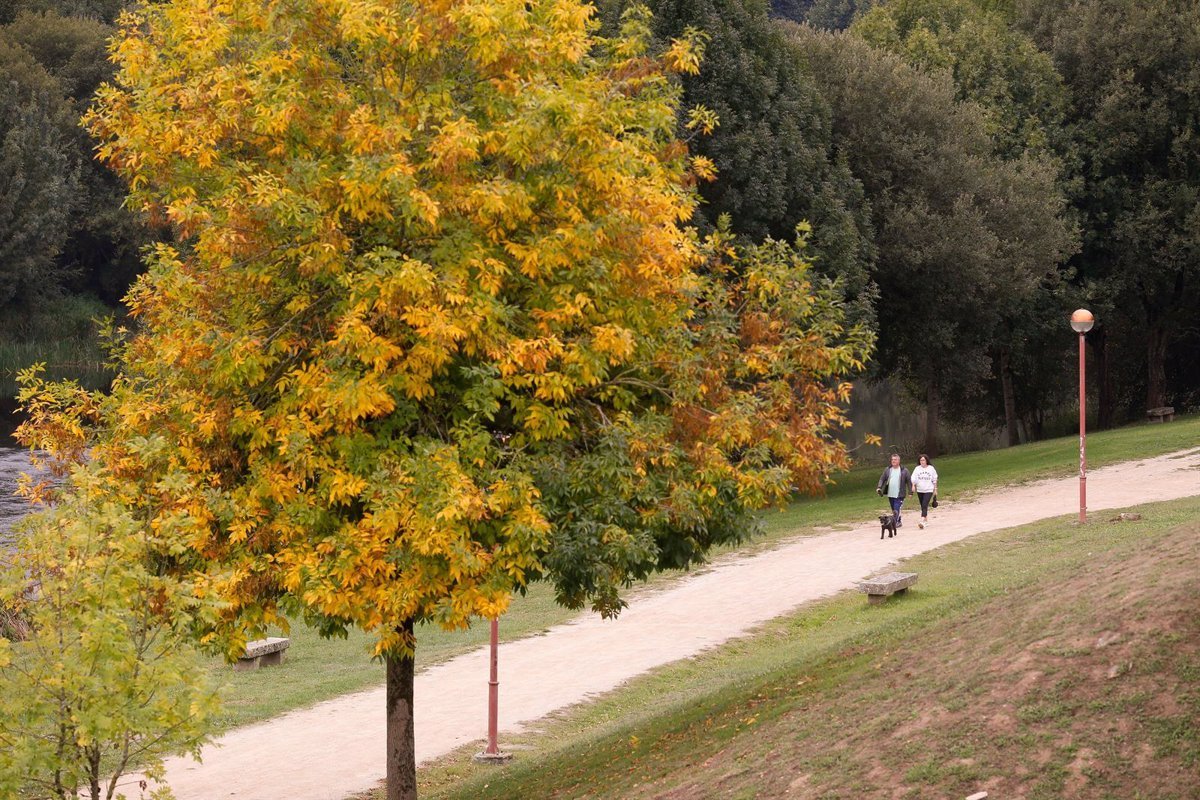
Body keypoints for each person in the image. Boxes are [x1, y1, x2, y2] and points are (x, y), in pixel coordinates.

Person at [875, 453, 910, 527]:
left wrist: (911, 492)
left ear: (899, 461)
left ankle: (894, 523)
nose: (893, 461)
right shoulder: (888, 469)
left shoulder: (904, 470)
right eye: (892, 459)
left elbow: (909, 481)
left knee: (897, 509)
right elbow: (882, 478)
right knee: (894, 509)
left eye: (895, 459)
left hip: (900, 494)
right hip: (890, 493)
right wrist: (879, 487)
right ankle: (899, 521)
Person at [910, 454, 939, 529]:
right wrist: (913, 485)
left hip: (928, 489)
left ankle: (922, 521)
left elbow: (934, 479)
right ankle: (926, 521)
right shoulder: (917, 469)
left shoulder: (931, 468)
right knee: (922, 506)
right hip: (920, 490)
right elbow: (914, 477)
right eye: (921, 460)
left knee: (924, 505)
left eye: (923, 460)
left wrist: (935, 489)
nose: (922, 461)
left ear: (926, 460)